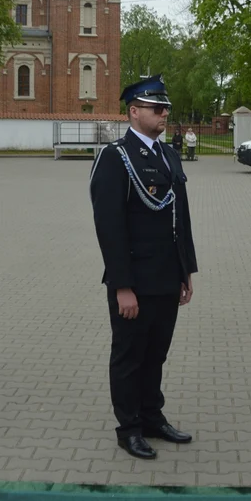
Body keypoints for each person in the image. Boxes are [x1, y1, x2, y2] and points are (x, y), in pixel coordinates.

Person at [89, 75, 197, 460]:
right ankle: (129, 427)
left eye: (165, 107)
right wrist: (121, 285)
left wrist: (186, 271)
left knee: (156, 355)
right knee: (129, 356)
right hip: (134, 281)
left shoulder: (168, 155)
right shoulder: (115, 157)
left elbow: (179, 218)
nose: (163, 112)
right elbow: (110, 227)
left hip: (166, 278)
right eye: (156, 107)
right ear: (134, 112)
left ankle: (152, 416)